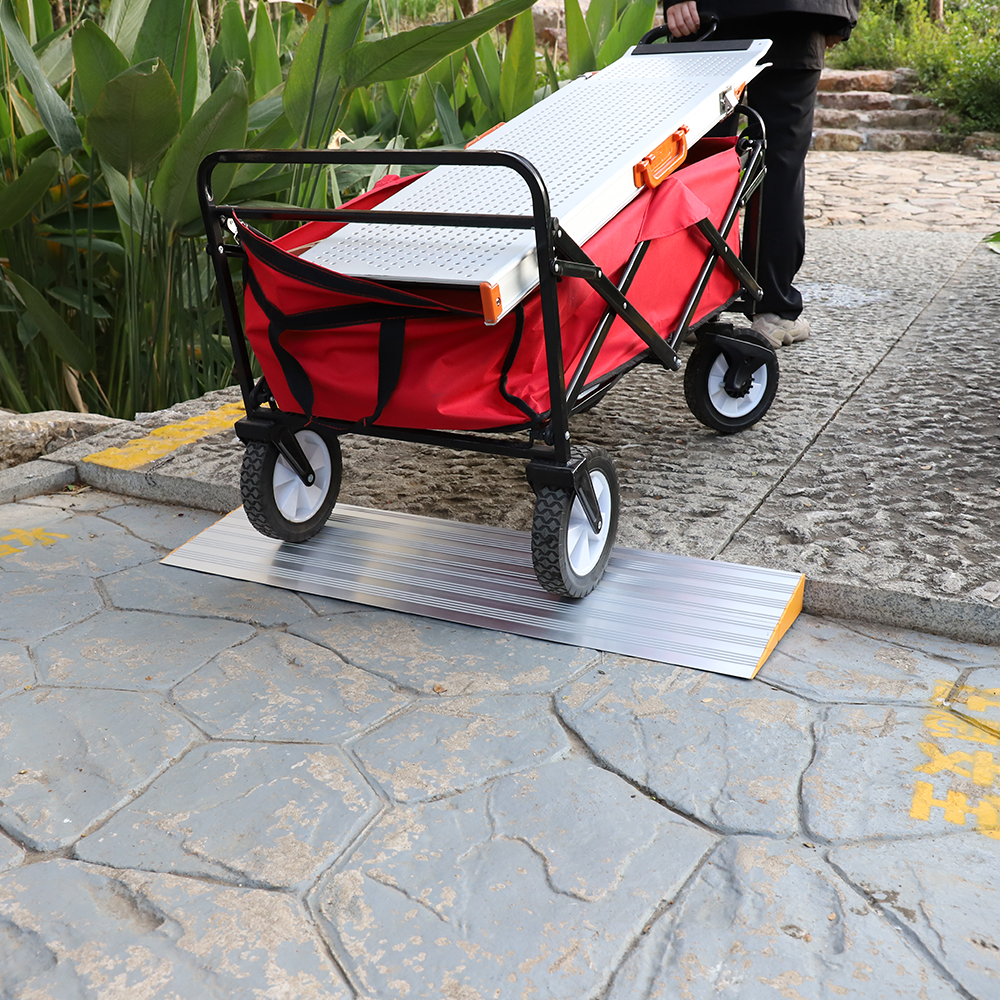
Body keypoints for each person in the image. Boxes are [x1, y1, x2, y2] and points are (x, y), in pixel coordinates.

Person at [666, 1, 860, 347]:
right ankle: (773, 311)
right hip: (797, 14)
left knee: (702, 163)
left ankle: (692, 304)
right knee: (778, 164)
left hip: (714, 14)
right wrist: (841, 15)